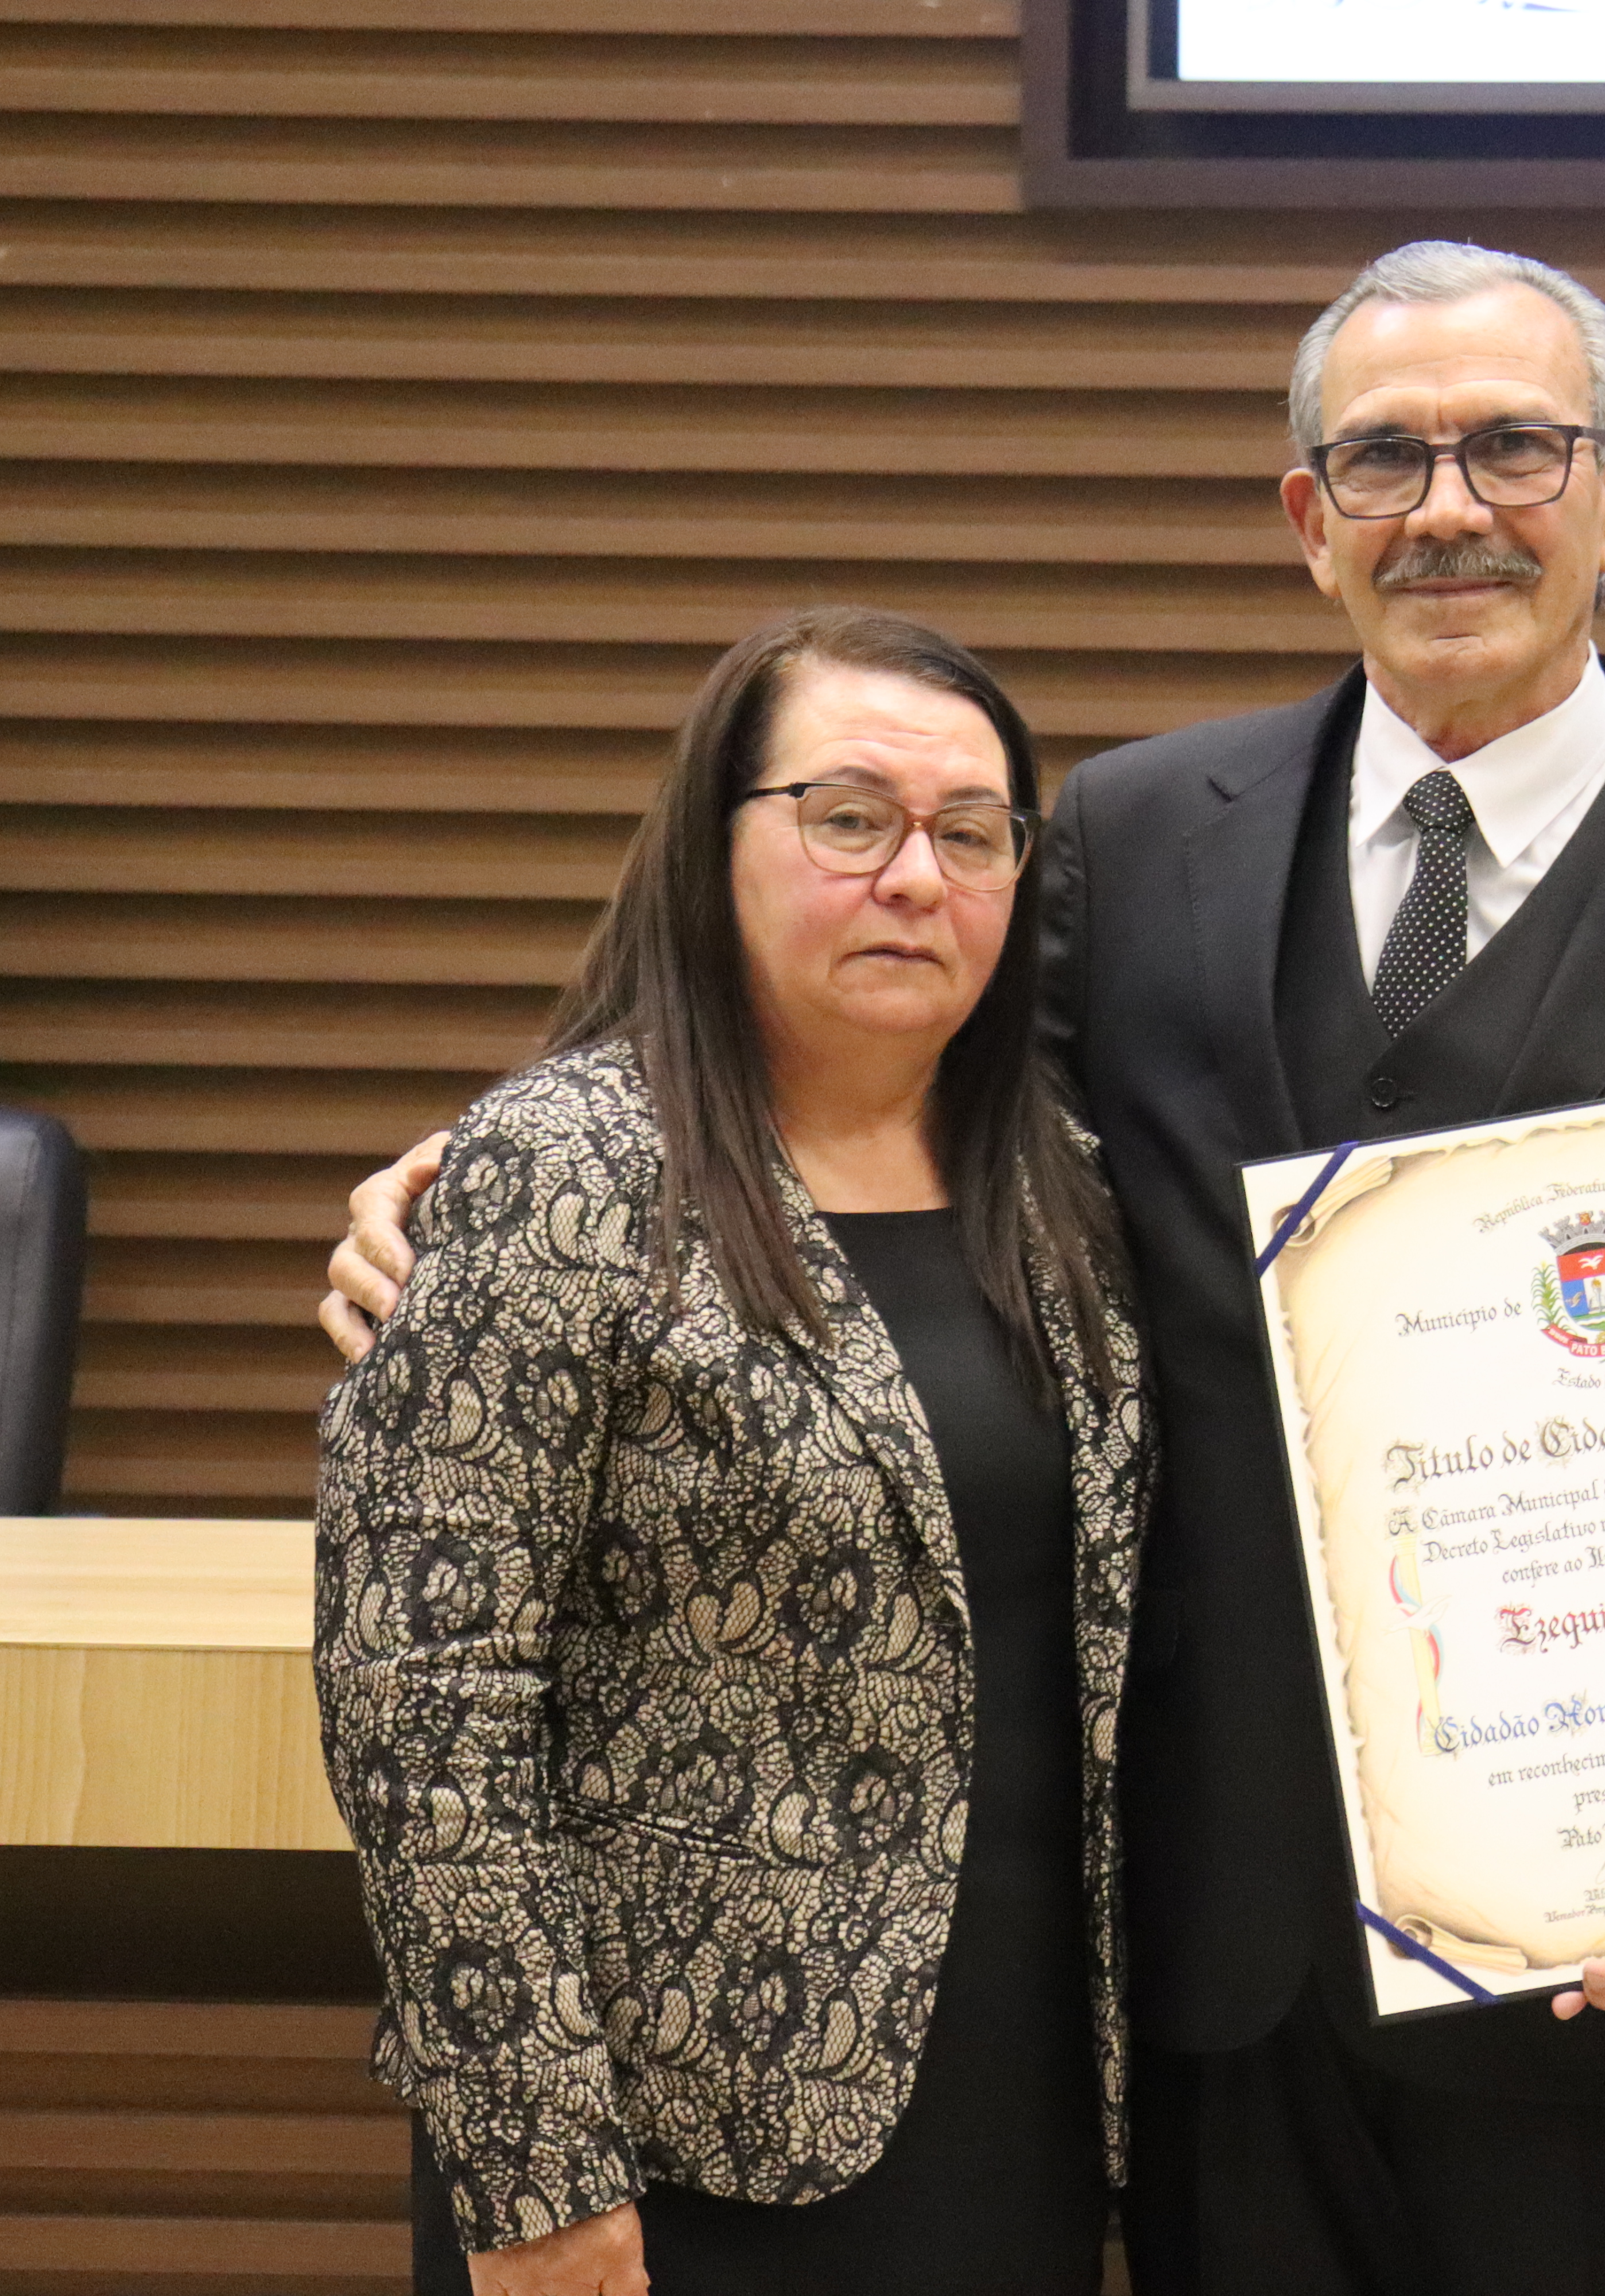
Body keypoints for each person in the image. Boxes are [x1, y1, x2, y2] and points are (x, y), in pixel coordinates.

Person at [324, 242, 1605, 2294]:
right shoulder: (1129, 830)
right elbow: (918, 1113)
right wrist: (479, 1176)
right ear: (1311, 524)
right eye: (1384, 460)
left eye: (1516, 451)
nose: (1450, 508)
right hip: (1212, 1964)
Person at [313, 606, 1152, 2296]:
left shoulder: (1070, 1181)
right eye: (849, 817)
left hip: (1027, 2106)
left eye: (971, 833)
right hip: (669, 2143)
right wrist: (536, 2169)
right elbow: (424, 1699)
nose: (916, 875)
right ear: (717, 844)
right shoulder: (567, 1169)